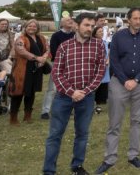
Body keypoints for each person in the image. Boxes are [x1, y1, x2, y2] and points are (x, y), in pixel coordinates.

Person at [43, 13, 106, 175]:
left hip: (86, 97)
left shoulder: (98, 46)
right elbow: (57, 73)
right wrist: (72, 92)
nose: (90, 29)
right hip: (64, 97)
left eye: (92, 26)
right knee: (55, 135)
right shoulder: (64, 46)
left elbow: (100, 71)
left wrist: (84, 91)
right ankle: (49, 170)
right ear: (76, 26)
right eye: (86, 25)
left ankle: (77, 166)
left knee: (82, 133)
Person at [96, 8, 140, 174]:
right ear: (128, 20)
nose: (138, 21)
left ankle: (133, 155)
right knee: (114, 122)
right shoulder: (118, 37)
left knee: (137, 120)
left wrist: (136, 80)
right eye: (135, 18)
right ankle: (110, 158)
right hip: (119, 82)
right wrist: (124, 80)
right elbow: (113, 60)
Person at [10, 19, 51, 125]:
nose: (32, 28)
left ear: (37, 28)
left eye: (34, 26)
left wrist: (43, 58)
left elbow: (47, 49)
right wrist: (38, 58)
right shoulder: (21, 38)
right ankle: (13, 118)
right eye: (29, 26)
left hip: (36, 68)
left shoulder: (41, 38)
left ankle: (27, 116)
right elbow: (21, 51)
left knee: (31, 92)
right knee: (18, 93)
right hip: (22, 69)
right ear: (25, 27)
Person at [41, 17, 75, 120]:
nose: (71, 22)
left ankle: (67, 109)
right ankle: (45, 111)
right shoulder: (56, 35)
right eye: (68, 21)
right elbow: (54, 51)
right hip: (58, 64)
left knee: (69, 87)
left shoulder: (75, 35)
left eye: (71, 21)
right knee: (52, 89)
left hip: (72, 65)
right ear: (62, 24)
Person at [93, 25, 110, 113]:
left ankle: (98, 105)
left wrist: (108, 60)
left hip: (105, 69)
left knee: (102, 88)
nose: (101, 33)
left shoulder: (105, 42)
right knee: (95, 86)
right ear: (95, 34)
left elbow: (108, 53)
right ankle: (92, 104)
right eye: (99, 31)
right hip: (96, 69)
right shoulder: (92, 43)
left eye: (102, 31)